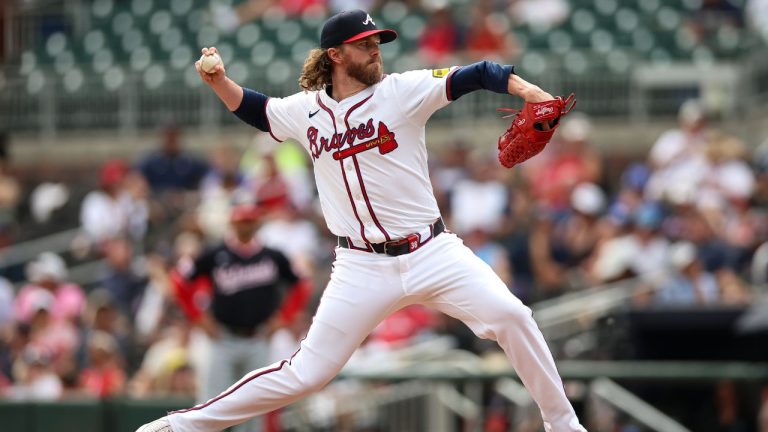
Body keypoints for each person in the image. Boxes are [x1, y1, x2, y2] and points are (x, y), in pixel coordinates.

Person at [137, 9, 586, 432]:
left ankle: (564, 427)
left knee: (512, 315)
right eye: (364, 43)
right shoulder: (306, 109)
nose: (376, 49)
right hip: (360, 266)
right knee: (306, 374)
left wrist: (530, 92)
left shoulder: (403, 90)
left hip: (432, 250)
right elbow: (257, 110)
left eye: (378, 41)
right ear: (335, 55)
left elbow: (478, 72)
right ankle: (180, 426)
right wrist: (218, 80)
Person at [167, 202, 311, 432]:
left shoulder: (272, 256)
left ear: (257, 224)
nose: (245, 226)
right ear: (232, 224)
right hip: (223, 338)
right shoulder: (215, 254)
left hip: (258, 338)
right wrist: (197, 317)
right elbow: (178, 279)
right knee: (211, 405)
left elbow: (302, 284)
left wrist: (284, 317)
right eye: (241, 222)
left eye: (249, 221)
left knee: (254, 408)